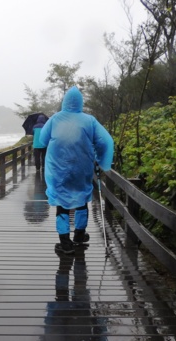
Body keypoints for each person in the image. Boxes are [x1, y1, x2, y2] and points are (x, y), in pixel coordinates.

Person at [37, 86, 114, 254]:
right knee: (81, 199)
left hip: (59, 169)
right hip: (82, 169)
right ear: (81, 102)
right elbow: (105, 141)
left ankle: (65, 242)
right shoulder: (89, 120)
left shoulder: (55, 119)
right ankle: (79, 235)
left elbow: (42, 140)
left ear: (64, 101)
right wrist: (102, 160)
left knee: (62, 203)